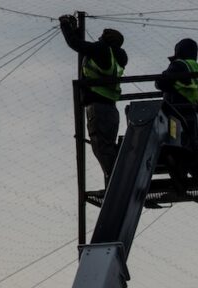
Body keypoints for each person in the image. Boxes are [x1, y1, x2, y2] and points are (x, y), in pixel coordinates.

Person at [59, 15, 127, 184]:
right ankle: (116, 177)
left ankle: (116, 181)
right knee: (107, 147)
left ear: (105, 40)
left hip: (97, 108)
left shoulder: (102, 50)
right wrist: (76, 31)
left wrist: (66, 26)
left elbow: (76, 45)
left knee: (101, 148)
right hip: (111, 108)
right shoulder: (120, 57)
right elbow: (85, 48)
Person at [155, 38, 198, 180]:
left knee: (173, 148)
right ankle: (197, 175)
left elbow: (161, 83)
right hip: (195, 118)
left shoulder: (179, 65)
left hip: (177, 115)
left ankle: (179, 181)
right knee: (188, 149)